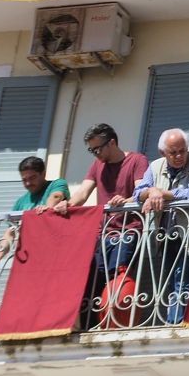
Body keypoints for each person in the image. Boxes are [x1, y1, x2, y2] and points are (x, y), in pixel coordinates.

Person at [57, 123, 149, 327]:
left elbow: (141, 192)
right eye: (91, 150)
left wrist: (125, 201)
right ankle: (92, 326)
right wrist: (68, 204)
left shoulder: (137, 160)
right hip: (101, 234)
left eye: (97, 149)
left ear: (112, 142)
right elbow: (82, 193)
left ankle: (114, 324)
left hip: (127, 230)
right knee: (93, 280)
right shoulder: (97, 165)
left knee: (117, 279)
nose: (95, 154)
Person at [135, 130, 189, 325]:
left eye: (182, 151)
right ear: (163, 153)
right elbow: (138, 191)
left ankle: (177, 324)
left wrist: (160, 193)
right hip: (165, 235)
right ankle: (173, 321)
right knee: (170, 282)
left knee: (184, 282)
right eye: (173, 153)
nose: (179, 156)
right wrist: (152, 191)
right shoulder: (155, 166)